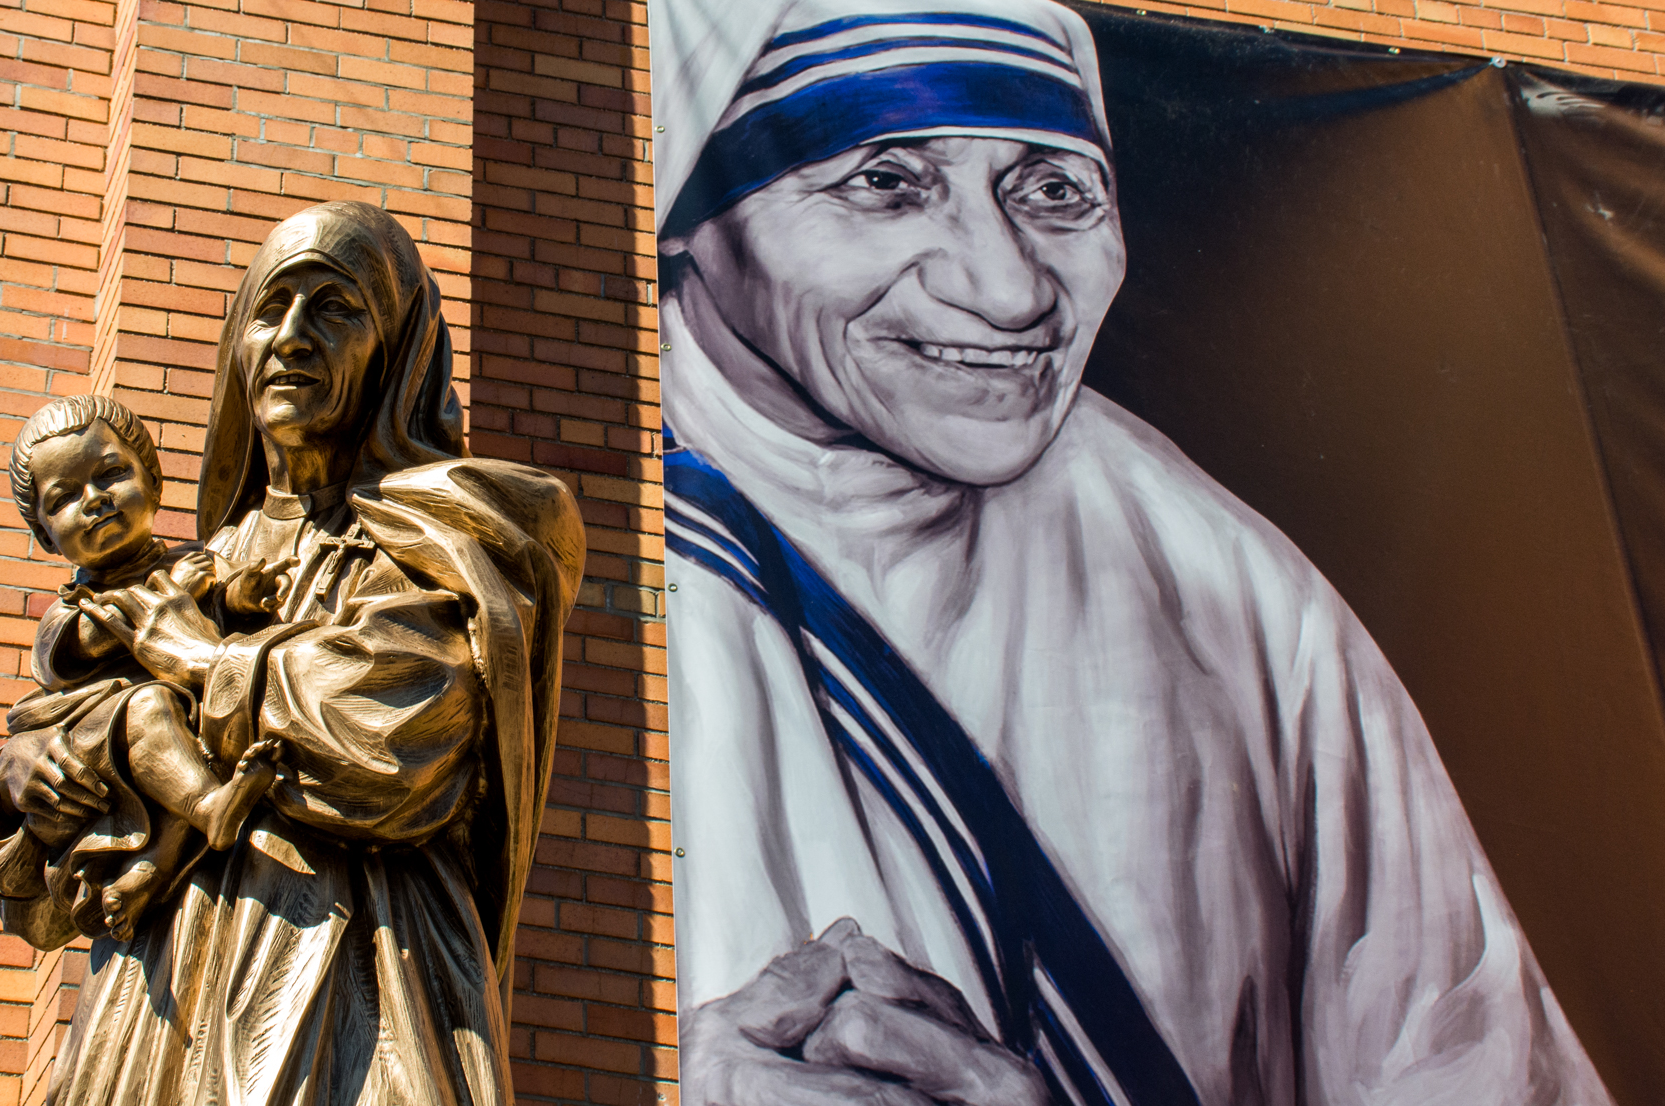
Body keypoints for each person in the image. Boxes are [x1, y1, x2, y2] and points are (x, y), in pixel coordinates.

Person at [654, 1, 1614, 1104]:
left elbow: (1473, 1065)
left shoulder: (1231, 594)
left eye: (1054, 192)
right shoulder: (549, 533)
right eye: (884, 182)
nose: (1010, 291)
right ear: (688, 211)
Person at [0, 201, 585, 1106]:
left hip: (360, 965)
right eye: (270, 309)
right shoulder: (191, 564)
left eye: (335, 308)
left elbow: (398, 736)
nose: (292, 337)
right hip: (161, 998)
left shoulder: (441, 540)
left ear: (395, 351)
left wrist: (202, 661)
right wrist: (29, 775)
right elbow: (49, 908)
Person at [1, 394, 295, 943]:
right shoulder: (74, 606)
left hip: (187, 727)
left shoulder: (196, 558)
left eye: (111, 474)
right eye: (64, 498)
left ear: (154, 482)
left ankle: (150, 869)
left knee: (200, 729)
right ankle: (208, 808)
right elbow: (78, 646)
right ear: (45, 535)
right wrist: (179, 592)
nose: (95, 500)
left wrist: (247, 591)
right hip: (108, 733)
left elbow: (229, 586)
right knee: (152, 707)